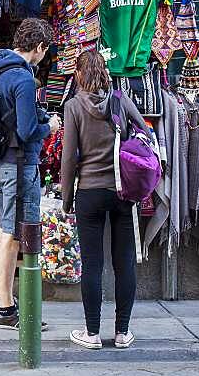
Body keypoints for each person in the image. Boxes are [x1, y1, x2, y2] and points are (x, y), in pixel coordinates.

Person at [60, 50, 148, 349]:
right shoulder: (120, 100)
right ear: (105, 73)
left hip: (89, 193)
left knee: (93, 264)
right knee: (124, 263)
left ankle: (93, 333)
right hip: (122, 191)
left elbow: (69, 158)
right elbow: (145, 131)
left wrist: (66, 198)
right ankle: (123, 332)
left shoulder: (72, 107)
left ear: (78, 76)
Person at [0, 18, 60, 330]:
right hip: (19, 163)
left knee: (3, 229)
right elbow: (28, 129)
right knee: (13, 234)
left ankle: (0, 298)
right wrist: (51, 126)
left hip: (1, 161)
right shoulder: (24, 78)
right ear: (40, 47)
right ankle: (7, 310)